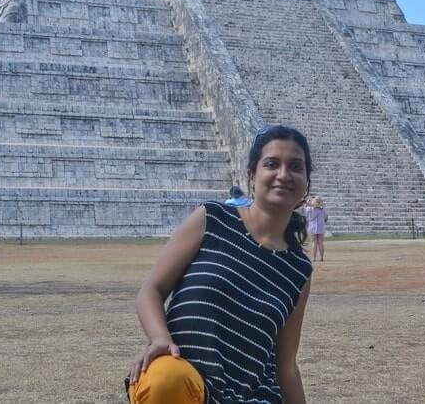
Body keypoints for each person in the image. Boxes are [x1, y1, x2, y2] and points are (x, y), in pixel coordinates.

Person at [126, 125, 314, 404]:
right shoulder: (211, 219)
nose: (284, 175)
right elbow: (150, 290)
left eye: (296, 167)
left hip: (252, 396)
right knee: (165, 381)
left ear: (306, 183)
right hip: (184, 382)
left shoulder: (298, 269)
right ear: (252, 175)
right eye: (272, 164)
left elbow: (285, 365)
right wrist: (160, 339)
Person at [304, 196, 328, 262]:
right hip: (321, 227)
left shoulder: (310, 209)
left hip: (313, 227)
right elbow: (326, 218)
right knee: (321, 243)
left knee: (314, 243)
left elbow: (305, 211)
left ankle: (314, 258)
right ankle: (321, 257)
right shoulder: (323, 209)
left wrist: (308, 202)